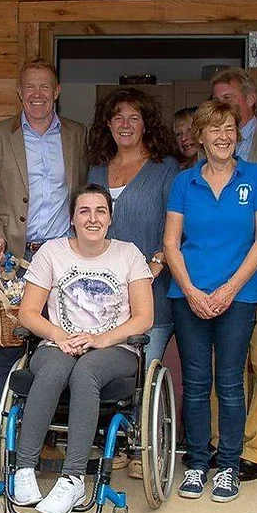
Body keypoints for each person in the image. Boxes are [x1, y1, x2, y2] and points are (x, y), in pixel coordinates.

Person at [11, 184, 154, 513]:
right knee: (53, 368)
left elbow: (145, 317)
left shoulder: (128, 254)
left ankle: (73, 478)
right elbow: (28, 312)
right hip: (57, 343)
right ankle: (24, 470)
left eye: (100, 211)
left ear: (110, 218)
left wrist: (102, 339)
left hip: (114, 350)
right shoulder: (51, 252)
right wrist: (60, 335)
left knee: (86, 370)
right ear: (72, 218)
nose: (93, 218)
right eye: (84, 211)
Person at [0, 58, 88, 450]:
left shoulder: (75, 134)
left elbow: (82, 196)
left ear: (57, 92)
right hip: (14, 260)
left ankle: (47, 440)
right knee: (7, 349)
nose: (37, 94)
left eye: (45, 87)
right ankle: (0, 440)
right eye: (30, 88)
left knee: (57, 348)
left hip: (61, 260)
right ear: (20, 93)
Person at [164, 99, 257, 504]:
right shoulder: (184, 182)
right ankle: (198, 464)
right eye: (214, 130)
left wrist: (228, 290)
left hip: (238, 296)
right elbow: (171, 243)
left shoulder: (254, 176)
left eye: (229, 130)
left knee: (231, 384)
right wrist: (190, 290)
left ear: (237, 135)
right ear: (200, 136)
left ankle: (227, 467)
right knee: (197, 383)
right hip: (189, 296)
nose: (223, 137)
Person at [86, 88, 179, 370]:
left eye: (134, 118)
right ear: (108, 124)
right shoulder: (96, 171)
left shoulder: (165, 168)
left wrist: (160, 260)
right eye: (118, 118)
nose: (125, 125)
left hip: (151, 296)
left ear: (146, 124)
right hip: (101, 302)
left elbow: (178, 227)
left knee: (140, 379)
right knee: (104, 379)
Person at [211, 69, 257, 481]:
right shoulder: (210, 151)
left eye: (229, 98)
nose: (223, 108)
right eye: (216, 101)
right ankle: (221, 445)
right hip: (220, 281)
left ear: (251, 100)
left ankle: (254, 450)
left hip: (255, 277)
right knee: (224, 370)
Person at [211, 67, 257, 162]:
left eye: (227, 97)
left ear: (251, 99)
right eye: (216, 101)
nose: (221, 105)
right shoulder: (208, 142)